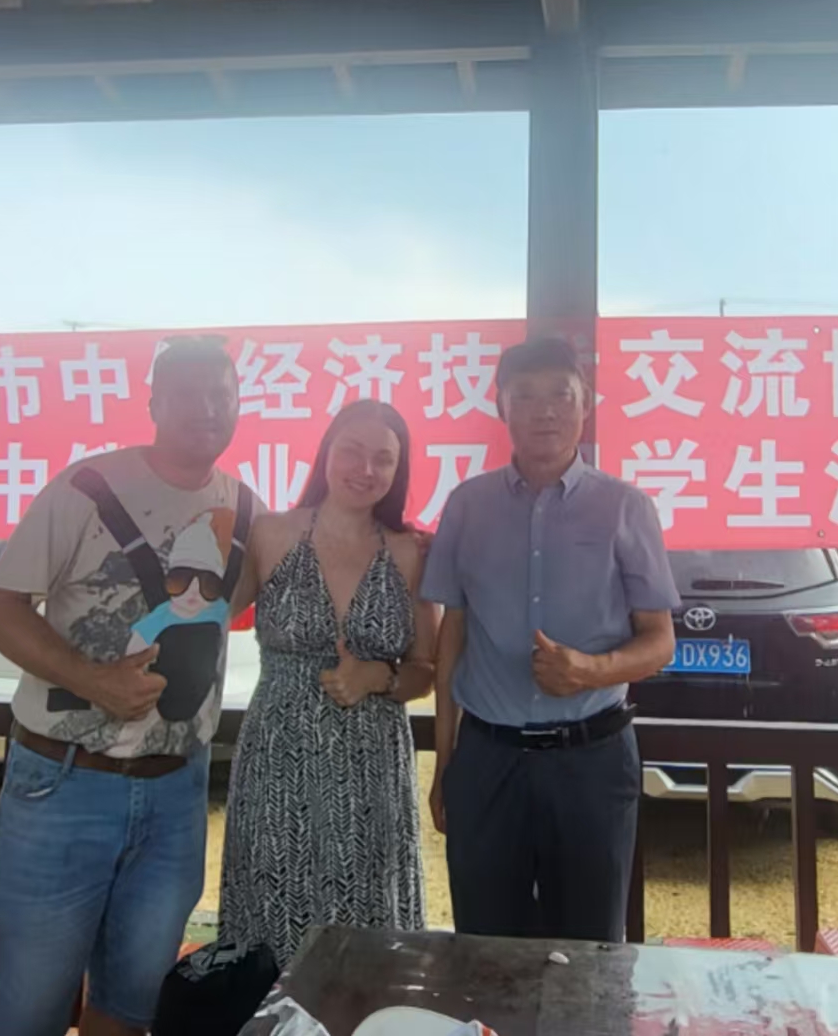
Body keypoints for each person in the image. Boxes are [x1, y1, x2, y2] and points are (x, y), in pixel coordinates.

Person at [0, 336, 257, 1036]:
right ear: (154, 402)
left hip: (177, 793)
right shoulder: (85, 487)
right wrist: (92, 679)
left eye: (221, 394)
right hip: (64, 784)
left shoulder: (245, 508)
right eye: (188, 393)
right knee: (24, 1014)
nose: (208, 408)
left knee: (130, 1009)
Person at [422, 336, 679, 942]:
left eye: (561, 395)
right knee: (485, 946)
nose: (545, 411)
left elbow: (660, 641)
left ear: (586, 403)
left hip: (592, 760)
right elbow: (453, 634)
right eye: (526, 396)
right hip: (488, 760)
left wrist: (589, 670)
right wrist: (445, 762)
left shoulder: (626, 507)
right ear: (501, 407)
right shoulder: (467, 505)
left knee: (589, 951)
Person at [213, 399, 437, 969]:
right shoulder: (269, 533)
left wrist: (379, 675)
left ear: (398, 471)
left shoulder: (410, 550)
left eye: (383, 459)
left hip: (372, 769)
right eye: (352, 451)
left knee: (369, 933)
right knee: (270, 926)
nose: (365, 468)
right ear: (326, 452)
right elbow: (206, 614)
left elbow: (425, 670)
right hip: (277, 762)